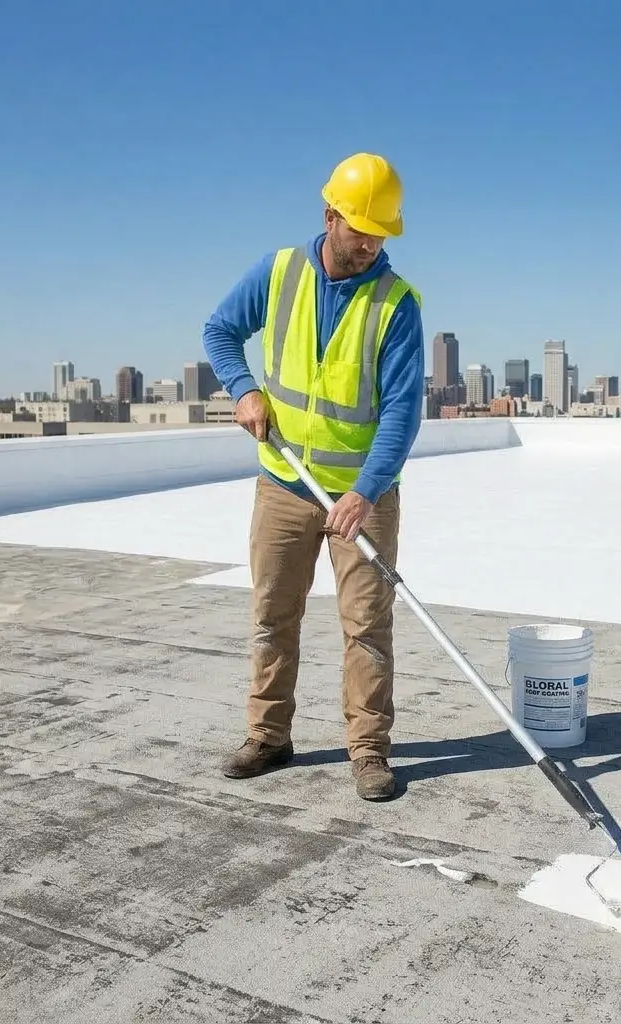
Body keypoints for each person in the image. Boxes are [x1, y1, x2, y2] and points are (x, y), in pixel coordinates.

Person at [202, 153, 425, 800]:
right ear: (330, 216)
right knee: (272, 615)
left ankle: (369, 752)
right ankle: (269, 737)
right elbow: (219, 330)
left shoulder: (397, 304)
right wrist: (243, 389)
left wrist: (366, 489)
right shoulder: (279, 273)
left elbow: (403, 412)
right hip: (284, 484)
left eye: (381, 232)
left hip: (364, 494)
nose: (371, 243)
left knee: (366, 627)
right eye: (361, 229)